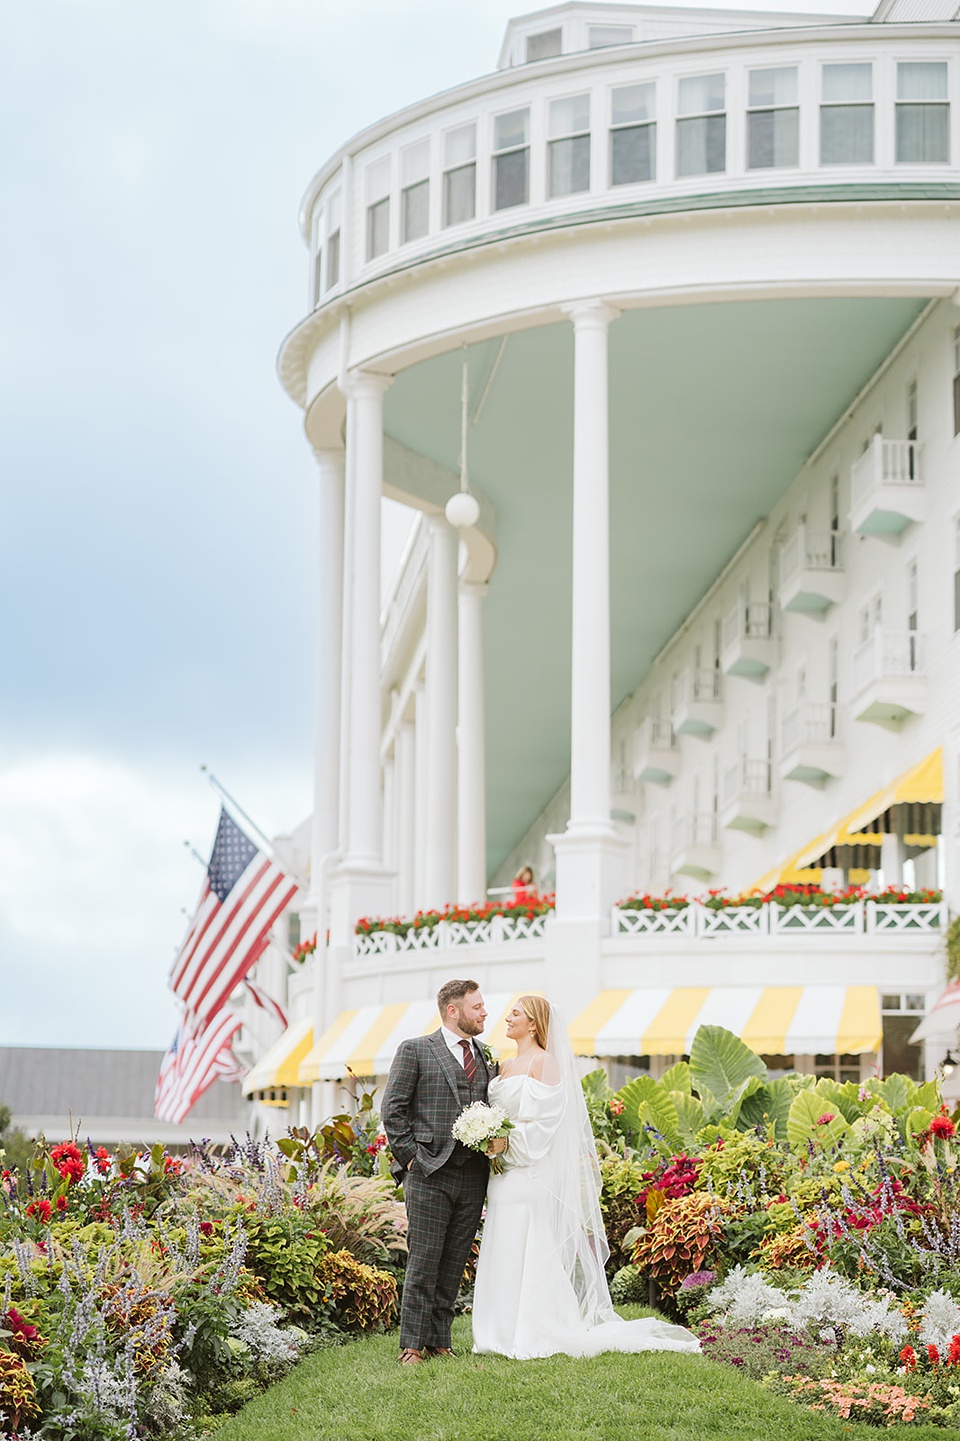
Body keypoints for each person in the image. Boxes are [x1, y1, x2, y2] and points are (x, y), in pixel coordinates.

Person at [471, 994, 701, 1360]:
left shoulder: (545, 1062)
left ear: (534, 1024)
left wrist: (505, 1141)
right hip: (500, 1176)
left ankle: (530, 1330)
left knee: (528, 1245)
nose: (507, 1017)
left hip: (526, 1172)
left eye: (516, 1013)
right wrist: (482, 1135)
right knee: (502, 1243)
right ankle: (495, 1330)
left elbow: (546, 1125)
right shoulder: (504, 1065)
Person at [381, 978, 499, 1366]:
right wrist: (412, 1159)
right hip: (428, 1172)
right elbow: (393, 1110)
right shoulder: (415, 1050)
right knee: (424, 1259)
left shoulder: (485, 1055)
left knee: (454, 1260)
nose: (484, 1012)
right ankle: (411, 1345)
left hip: (472, 1173)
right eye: (477, 1006)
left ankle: (439, 1341)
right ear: (454, 1010)